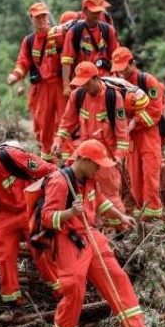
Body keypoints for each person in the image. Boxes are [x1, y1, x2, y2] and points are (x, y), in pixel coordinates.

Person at [40, 139, 147, 327]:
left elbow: (99, 201)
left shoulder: (89, 179)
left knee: (117, 277)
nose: (99, 168)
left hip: (92, 236)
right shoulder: (60, 181)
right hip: (70, 239)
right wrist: (70, 212)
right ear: (84, 160)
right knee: (74, 286)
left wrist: (121, 217)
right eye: (96, 163)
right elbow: (47, 217)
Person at [0, 138, 58, 305]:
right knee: (2, 249)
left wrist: (53, 203)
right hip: (6, 212)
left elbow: (49, 170)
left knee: (41, 251)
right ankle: (12, 299)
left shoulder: (12, 156)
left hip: (30, 207)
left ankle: (61, 290)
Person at [53, 62, 129, 215]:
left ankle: (121, 232)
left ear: (96, 79)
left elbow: (122, 134)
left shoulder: (113, 97)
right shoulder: (78, 95)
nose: (85, 87)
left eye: (87, 83)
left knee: (110, 195)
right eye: (82, 84)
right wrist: (58, 141)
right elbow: (66, 122)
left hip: (105, 157)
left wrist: (119, 156)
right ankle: (93, 228)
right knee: (82, 191)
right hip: (85, 154)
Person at [8, 3, 66, 162]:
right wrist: (15, 75)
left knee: (66, 122)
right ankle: (48, 164)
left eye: (44, 16)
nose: (41, 20)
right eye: (38, 17)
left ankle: (70, 162)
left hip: (62, 85)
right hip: (43, 88)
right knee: (44, 125)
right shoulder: (29, 41)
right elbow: (23, 62)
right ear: (31, 19)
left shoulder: (58, 35)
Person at [111, 47, 164, 220]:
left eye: (125, 67)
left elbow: (156, 111)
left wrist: (135, 121)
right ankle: (141, 216)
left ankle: (154, 215)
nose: (122, 72)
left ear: (133, 63)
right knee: (134, 178)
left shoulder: (147, 80)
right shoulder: (118, 85)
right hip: (131, 138)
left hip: (148, 136)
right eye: (119, 68)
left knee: (150, 176)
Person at [61, 0, 120, 97]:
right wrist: (66, 85)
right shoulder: (75, 32)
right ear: (85, 11)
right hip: (84, 82)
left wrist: (118, 77)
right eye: (93, 12)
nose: (96, 15)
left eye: (98, 12)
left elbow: (115, 56)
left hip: (105, 79)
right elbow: (67, 61)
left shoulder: (108, 30)